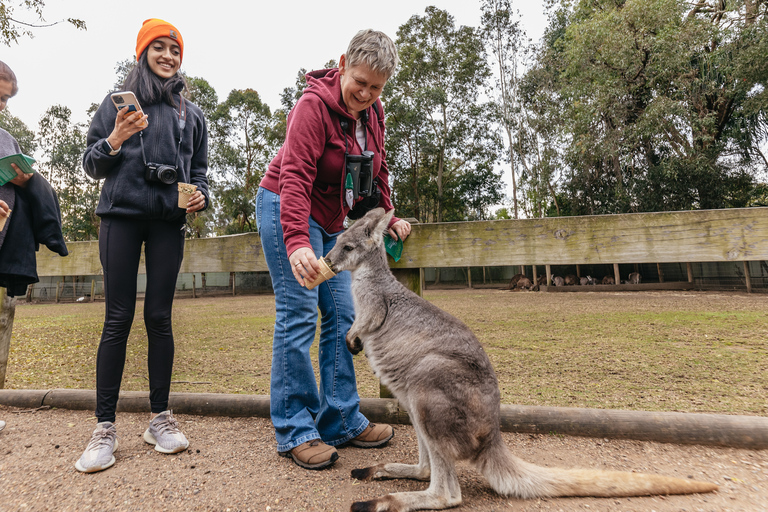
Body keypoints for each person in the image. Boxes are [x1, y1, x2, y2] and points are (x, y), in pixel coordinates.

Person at [256, 29, 411, 470]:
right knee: (299, 312)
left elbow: (375, 175)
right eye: (359, 82)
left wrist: (388, 217)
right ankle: (294, 429)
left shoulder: (374, 114)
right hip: (285, 206)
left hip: (329, 222)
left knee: (344, 315)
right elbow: (296, 177)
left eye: (376, 87)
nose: (365, 93)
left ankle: (341, 418)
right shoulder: (312, 107)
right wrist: (297, 241)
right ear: (343, 64)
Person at [78, 19, 209, 473]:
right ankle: (104, 427)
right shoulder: (114, 105)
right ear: (142, 53)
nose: (169, 55)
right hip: (120, 218)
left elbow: (203, 174)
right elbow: (91, 164)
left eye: (175, 49)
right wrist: (116, 137)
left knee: (159, 316)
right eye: (159, 47)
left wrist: (200, 197)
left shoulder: (191, 116)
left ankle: (160, 417)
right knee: (118, 317)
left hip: (167, 224)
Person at [0, 60, 68, 436]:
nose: (2, 106)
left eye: (6, 100)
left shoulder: (6, 137)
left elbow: (21, 175)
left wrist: (25, 178)